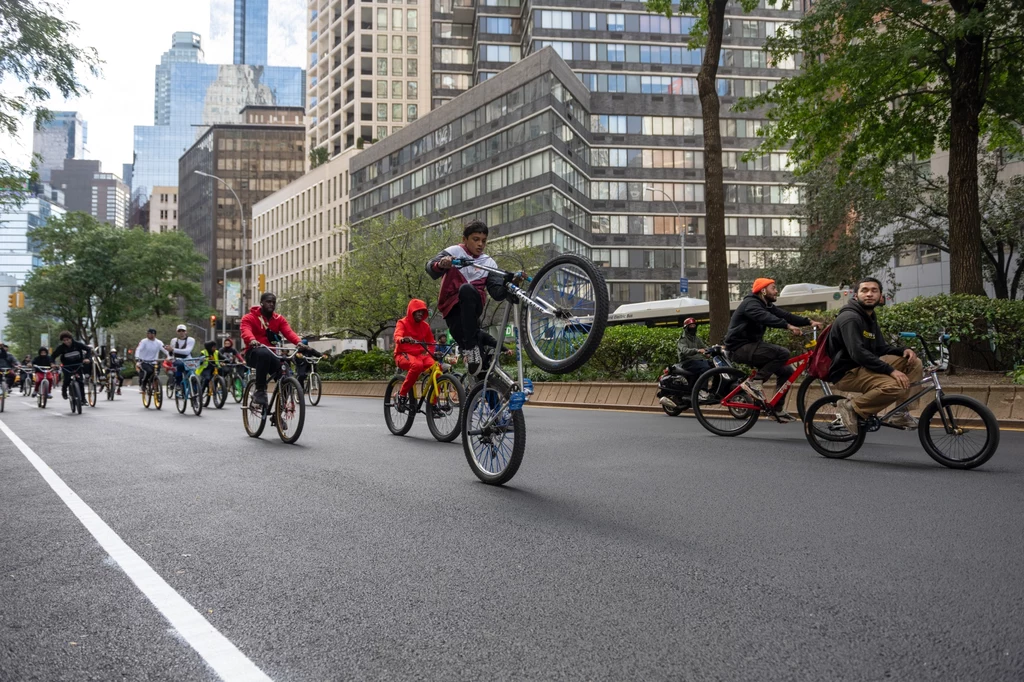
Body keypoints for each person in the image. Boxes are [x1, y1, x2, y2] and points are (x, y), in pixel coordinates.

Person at [828, 277, 923, 432]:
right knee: (895, 387)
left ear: (880, 296)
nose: (869, 294)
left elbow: (880, 348)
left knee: (914, 362)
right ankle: (850, 407)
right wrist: (891, 371)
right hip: (847, 372)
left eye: (874, 290)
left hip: (864, 366)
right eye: (864, 290)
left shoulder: (870, 317)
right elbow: (857, 353)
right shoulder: (850, 318)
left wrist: (902, 351)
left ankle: (900, 413)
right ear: (855, 296)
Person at [426, 220, 521, 375]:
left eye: (483, 241)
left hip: (473, 305)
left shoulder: (488, 262)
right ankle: (476, 378)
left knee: (467, 289)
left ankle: (471, 349)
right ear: (465, 239)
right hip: (452, 309)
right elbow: (430, 267)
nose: (480, 244)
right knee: (479, 368)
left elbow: (496, 293)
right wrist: (442, 264)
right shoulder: (454, 252)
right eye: (475, 239)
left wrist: (512, 282)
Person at [724, 278, 822, 421]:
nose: (776, 291)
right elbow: (766, 317)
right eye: (773, 288)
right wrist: (787, 326)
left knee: (787, 371)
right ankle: (754, 383)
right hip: (738, 348)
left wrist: (808, 321)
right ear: (763, 291)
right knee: (783, 353)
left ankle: (776, 409)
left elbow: (785, 315)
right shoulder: (750, 304)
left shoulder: (767, 305)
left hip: (752, 347)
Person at [240, 292, 304, 406]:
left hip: (272, 355)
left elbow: (288, 332)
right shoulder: (249, 318)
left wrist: (299, 342)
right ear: (261, 303)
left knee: (286, 376)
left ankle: (279, 411)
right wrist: (252, 339)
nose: (271, 304)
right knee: (263, 354)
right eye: (268, 301)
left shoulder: (279, 319)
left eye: (273, 302)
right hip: (253, 353)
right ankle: (260, 391)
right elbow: (246, 330)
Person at [393, 299, 436, 408]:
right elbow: (397, 336)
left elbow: (431, 342)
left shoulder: (425, 326)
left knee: (437, 368)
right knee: (416, 366)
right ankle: (401, 395)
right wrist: (403, 339)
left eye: (422, 311)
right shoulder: (402, 322)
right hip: (402, 354)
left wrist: (431, 354)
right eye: (418, 311)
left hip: (419, 356)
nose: (420, 313)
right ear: (411, 311)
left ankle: (433, 404)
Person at [50, 331, 93, 400]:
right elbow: (53, 356)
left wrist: (87, 358)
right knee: (67, 380)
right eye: (64, 340)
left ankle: (83, 399)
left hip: (78, 365)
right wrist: (52, 363)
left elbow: (88, 349)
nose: (66, 342)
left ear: (71, 338)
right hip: (67, 366)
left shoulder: (78, 344)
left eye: (68, 340)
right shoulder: (61, 348)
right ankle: (64, 391)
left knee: (80, 382)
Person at [165, 324, 196, 391]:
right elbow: (170, 352)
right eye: (179, 331)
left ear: (186, 332)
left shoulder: (191, 340)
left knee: (192, 373)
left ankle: (196, 391)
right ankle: (178, 383)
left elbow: (187, 351)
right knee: (180, 365)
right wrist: (169, 357)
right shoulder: (173, 340)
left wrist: (173, 349)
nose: (181, 332)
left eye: (183, 331)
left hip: (188, 359)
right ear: (177, 332)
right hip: (177, 359)